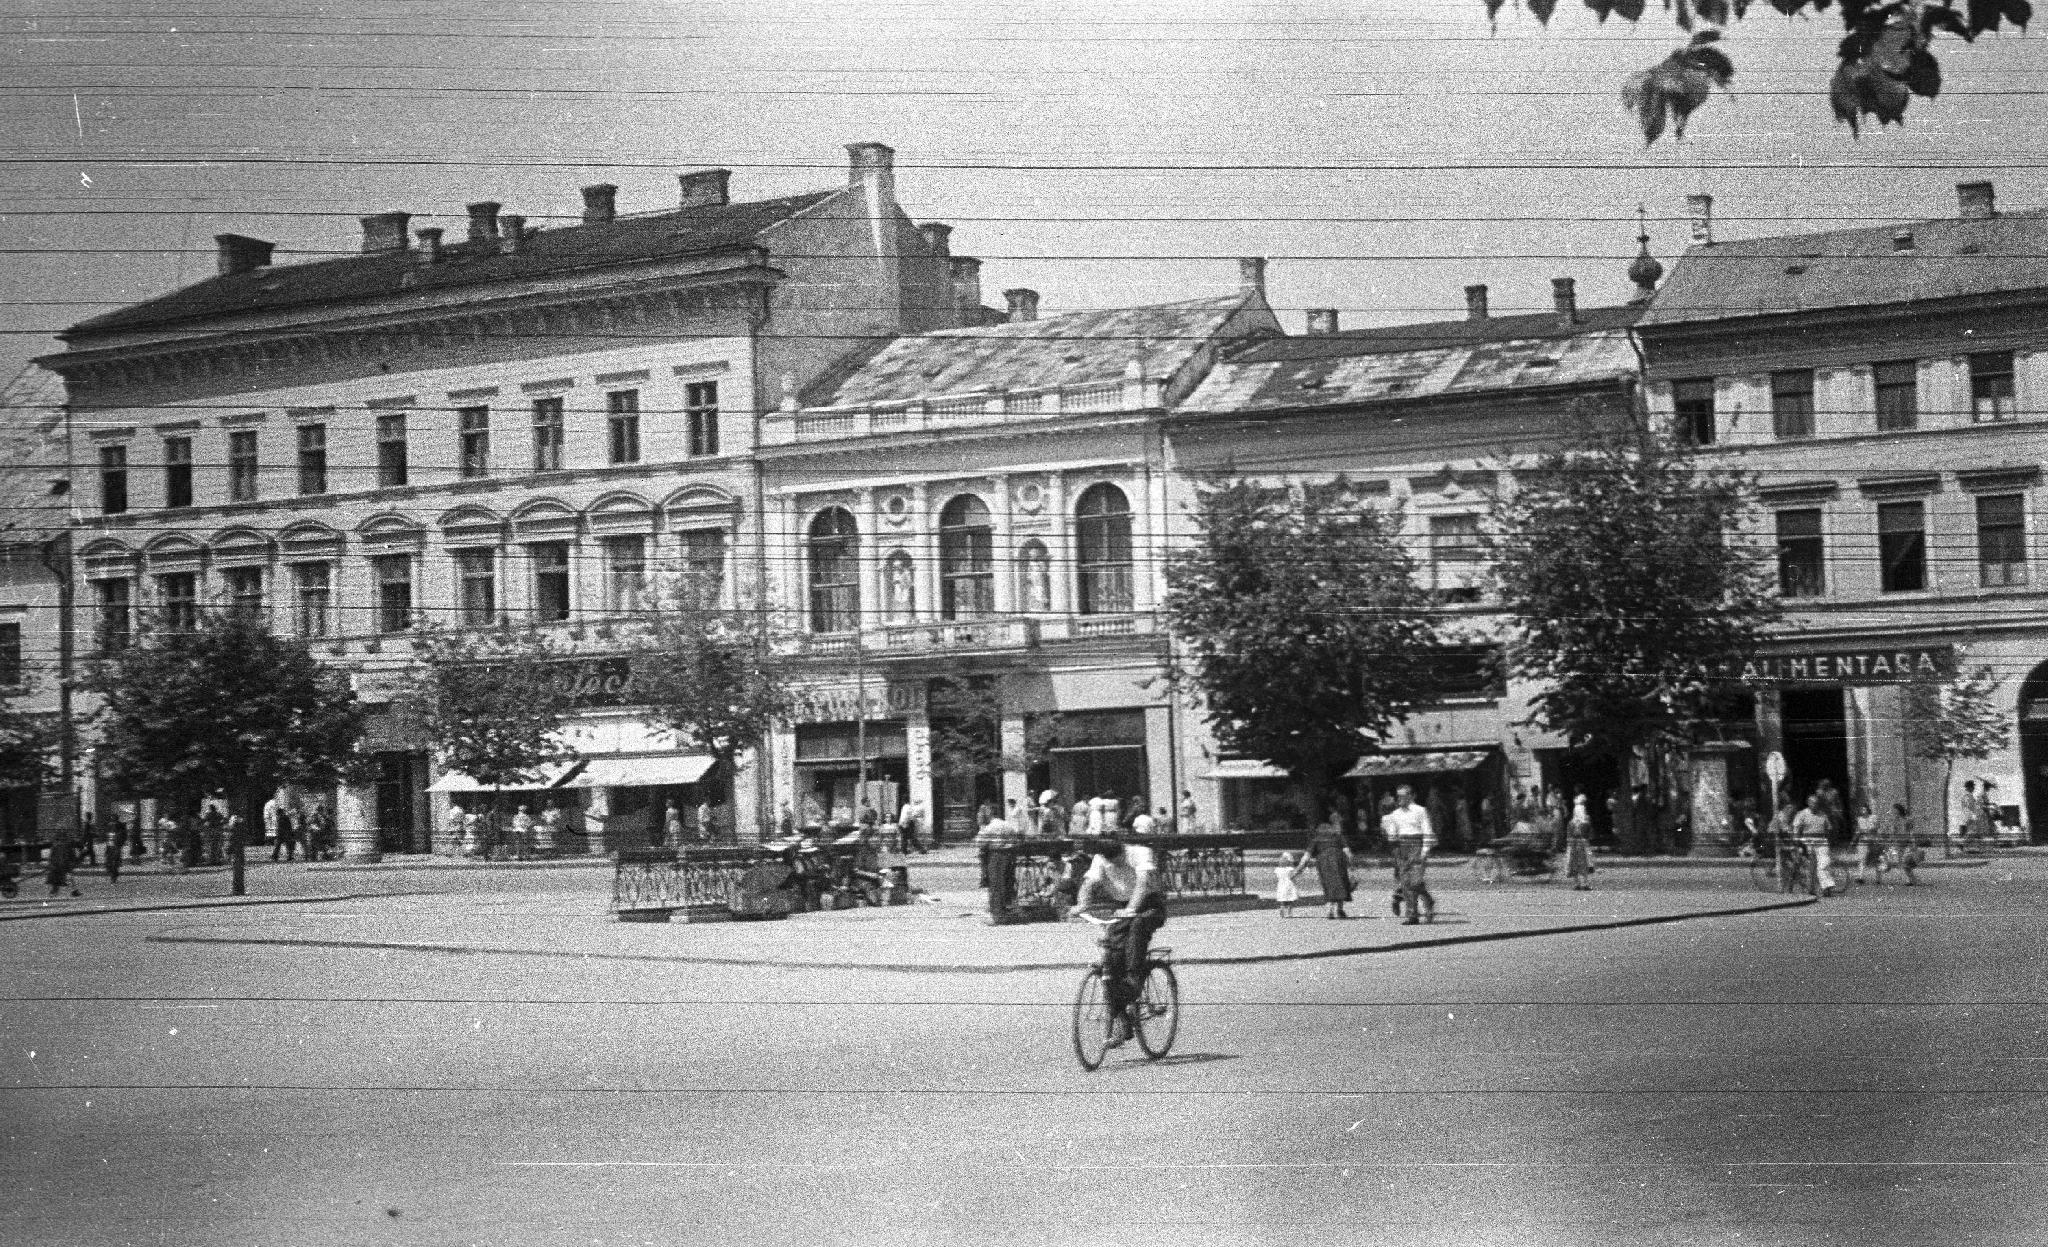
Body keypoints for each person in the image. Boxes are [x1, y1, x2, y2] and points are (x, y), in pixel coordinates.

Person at [1069, 832, 1167, 1048]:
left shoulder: (1141, 853)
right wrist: (1082, 905)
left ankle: (1133, 980)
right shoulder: (1101, 859)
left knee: (1138, 928)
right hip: (1123, 908)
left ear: (1123, 849)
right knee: (1111, 962)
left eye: (1118, 859)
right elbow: (1089, 883)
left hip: (1150, 905)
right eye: (1110, 861)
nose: (1115, 864)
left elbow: (1143, 884)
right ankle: (1123, 1021)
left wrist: (1132, 909)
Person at [1385, 784, 1437, 925]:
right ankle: (1412, 915)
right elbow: (1392, 834)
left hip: (1416, 845)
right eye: (1398, 796)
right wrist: (1394, 851)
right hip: (1401, 847)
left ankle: (1427, 900)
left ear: (1411, 796)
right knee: (1406, 882)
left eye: (1403, 795)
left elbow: (1427, 830)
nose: (1399, 798)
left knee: (1415, 881)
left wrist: (1425, 850)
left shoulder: (1420, 811)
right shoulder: (1395, 814)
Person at [977, 804, 1022, 920]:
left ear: (989, 814)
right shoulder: (1007, 824)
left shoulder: (989, 827)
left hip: (996, 856)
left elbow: (980, 843)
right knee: (1008, 882)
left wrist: (981, 827)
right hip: (1009, 855)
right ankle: (1008, 908)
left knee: (996, 884)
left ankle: (998, 914)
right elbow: (1016, 838)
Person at [1304, 812, 1352, 920]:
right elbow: (1348, 852)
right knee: (1341, 883)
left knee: (1329, 884)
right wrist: (1352, 866)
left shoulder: (1316, 839)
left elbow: (1306, 857)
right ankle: (1340, 910)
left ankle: (1330, 910)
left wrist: (1297, 870)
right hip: (1339, 861)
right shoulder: (1338, 837)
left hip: (1324, 863)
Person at [1792, 791, 1837, 896]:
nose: (1814, 806)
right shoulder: (1802, 814)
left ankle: (1826, 887)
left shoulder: (1823, 815)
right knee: (1810, 868)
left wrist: (1829, 840)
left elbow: (1829, 828)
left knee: (1823, 865)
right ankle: (1810, 889)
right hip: (1808, 843)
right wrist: (1797, 843)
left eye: (1816, 804)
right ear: (1808, 803)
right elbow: (1796, 828)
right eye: (1812, 803)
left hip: (1821, 843)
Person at [1884, 801, 1920, 884]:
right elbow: (1892, 833)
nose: (1893, 811)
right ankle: (1910, 879)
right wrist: (1890, 841)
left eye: (1894, 809)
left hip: (1907, 842)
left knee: (1906, 861)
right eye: (1892, 810)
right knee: (1901, 862)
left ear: (1899, 810)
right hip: (1898, 843)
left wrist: (1913, 842)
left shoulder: (1907, 820)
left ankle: (1912, 879)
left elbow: (1911, 832)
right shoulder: (1894, 821)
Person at [1564, 793, 1594, 890]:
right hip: (1583, 845)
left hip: (1573, 845)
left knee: (1573, 864)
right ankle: (1585, 884)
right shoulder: (1586, 823)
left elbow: (1568, 836)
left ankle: (1576, 884)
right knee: (1584, 864)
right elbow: (1591, 835)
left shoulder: (1571, 823)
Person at [1851, 800, 1879, 884]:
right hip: (1863, 841)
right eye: (1861, 810)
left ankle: (1878, 879)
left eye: (1864, 809)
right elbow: (1858, 831)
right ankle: (1860, 877)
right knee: (1861, 859)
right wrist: (1853, 842)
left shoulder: (1873, 817)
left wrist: (1871, 829)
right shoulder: (1859, 819)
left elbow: (1876, 828)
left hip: (1872, 840)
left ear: (1867, 809)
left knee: (1876, 859)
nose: (1863, 811)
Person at [46, 832, 80, 898]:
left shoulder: (56, 846)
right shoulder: (65, 847)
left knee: (61, 879)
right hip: (62, 866)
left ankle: (73, 891)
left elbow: (51, 857)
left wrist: (51, 864)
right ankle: (54, 893)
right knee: (64, 879)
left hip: (59, 866)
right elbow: (72, 857)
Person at [1274, 851, 1307, 918]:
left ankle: (1282, 908)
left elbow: (1278, 876)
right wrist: (1299, 871)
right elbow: (1293, 875)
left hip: (1281, 885)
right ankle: (1289, 912)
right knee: (1290, 900)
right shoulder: (1290, 869)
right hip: (1290, 885)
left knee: (1282, 899)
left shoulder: (1277, 870)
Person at [105, 817, 125, 883]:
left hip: (112, 846)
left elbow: (107, 838)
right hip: (115, 846)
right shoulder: (119, 827)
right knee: (115, 862)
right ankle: (114, 876)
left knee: (112, 861)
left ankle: (113, 876)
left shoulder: (110, 826)